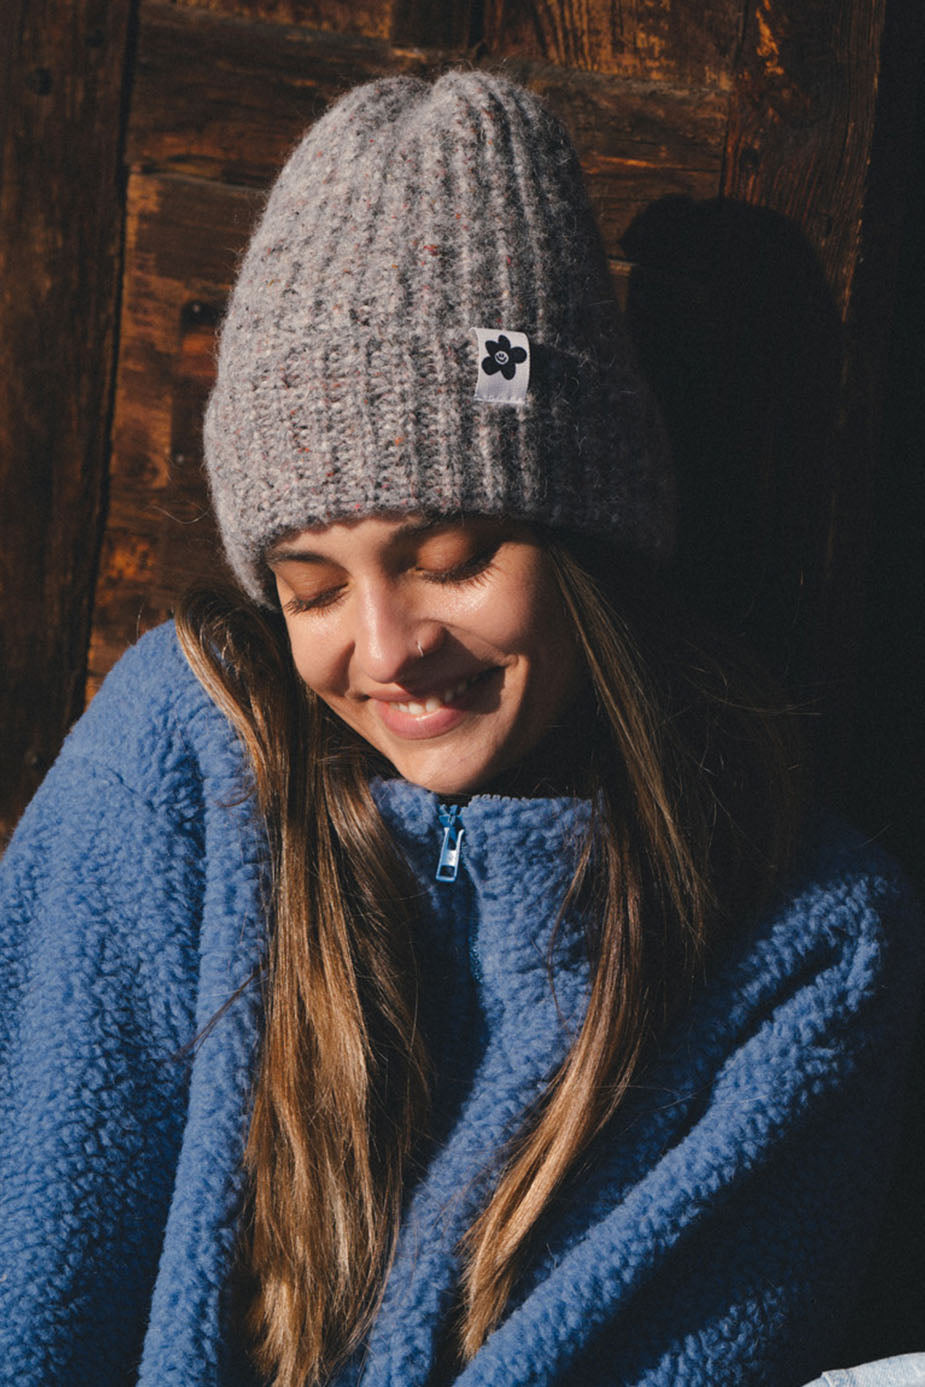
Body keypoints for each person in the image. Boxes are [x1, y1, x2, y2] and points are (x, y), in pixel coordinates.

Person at [0, 71, 921, 1387]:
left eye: (452, 558)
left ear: (587, 542)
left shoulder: (805, 947)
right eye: (312, 590)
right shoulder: (174, 765)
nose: (386, 651)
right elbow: (32, 1272)